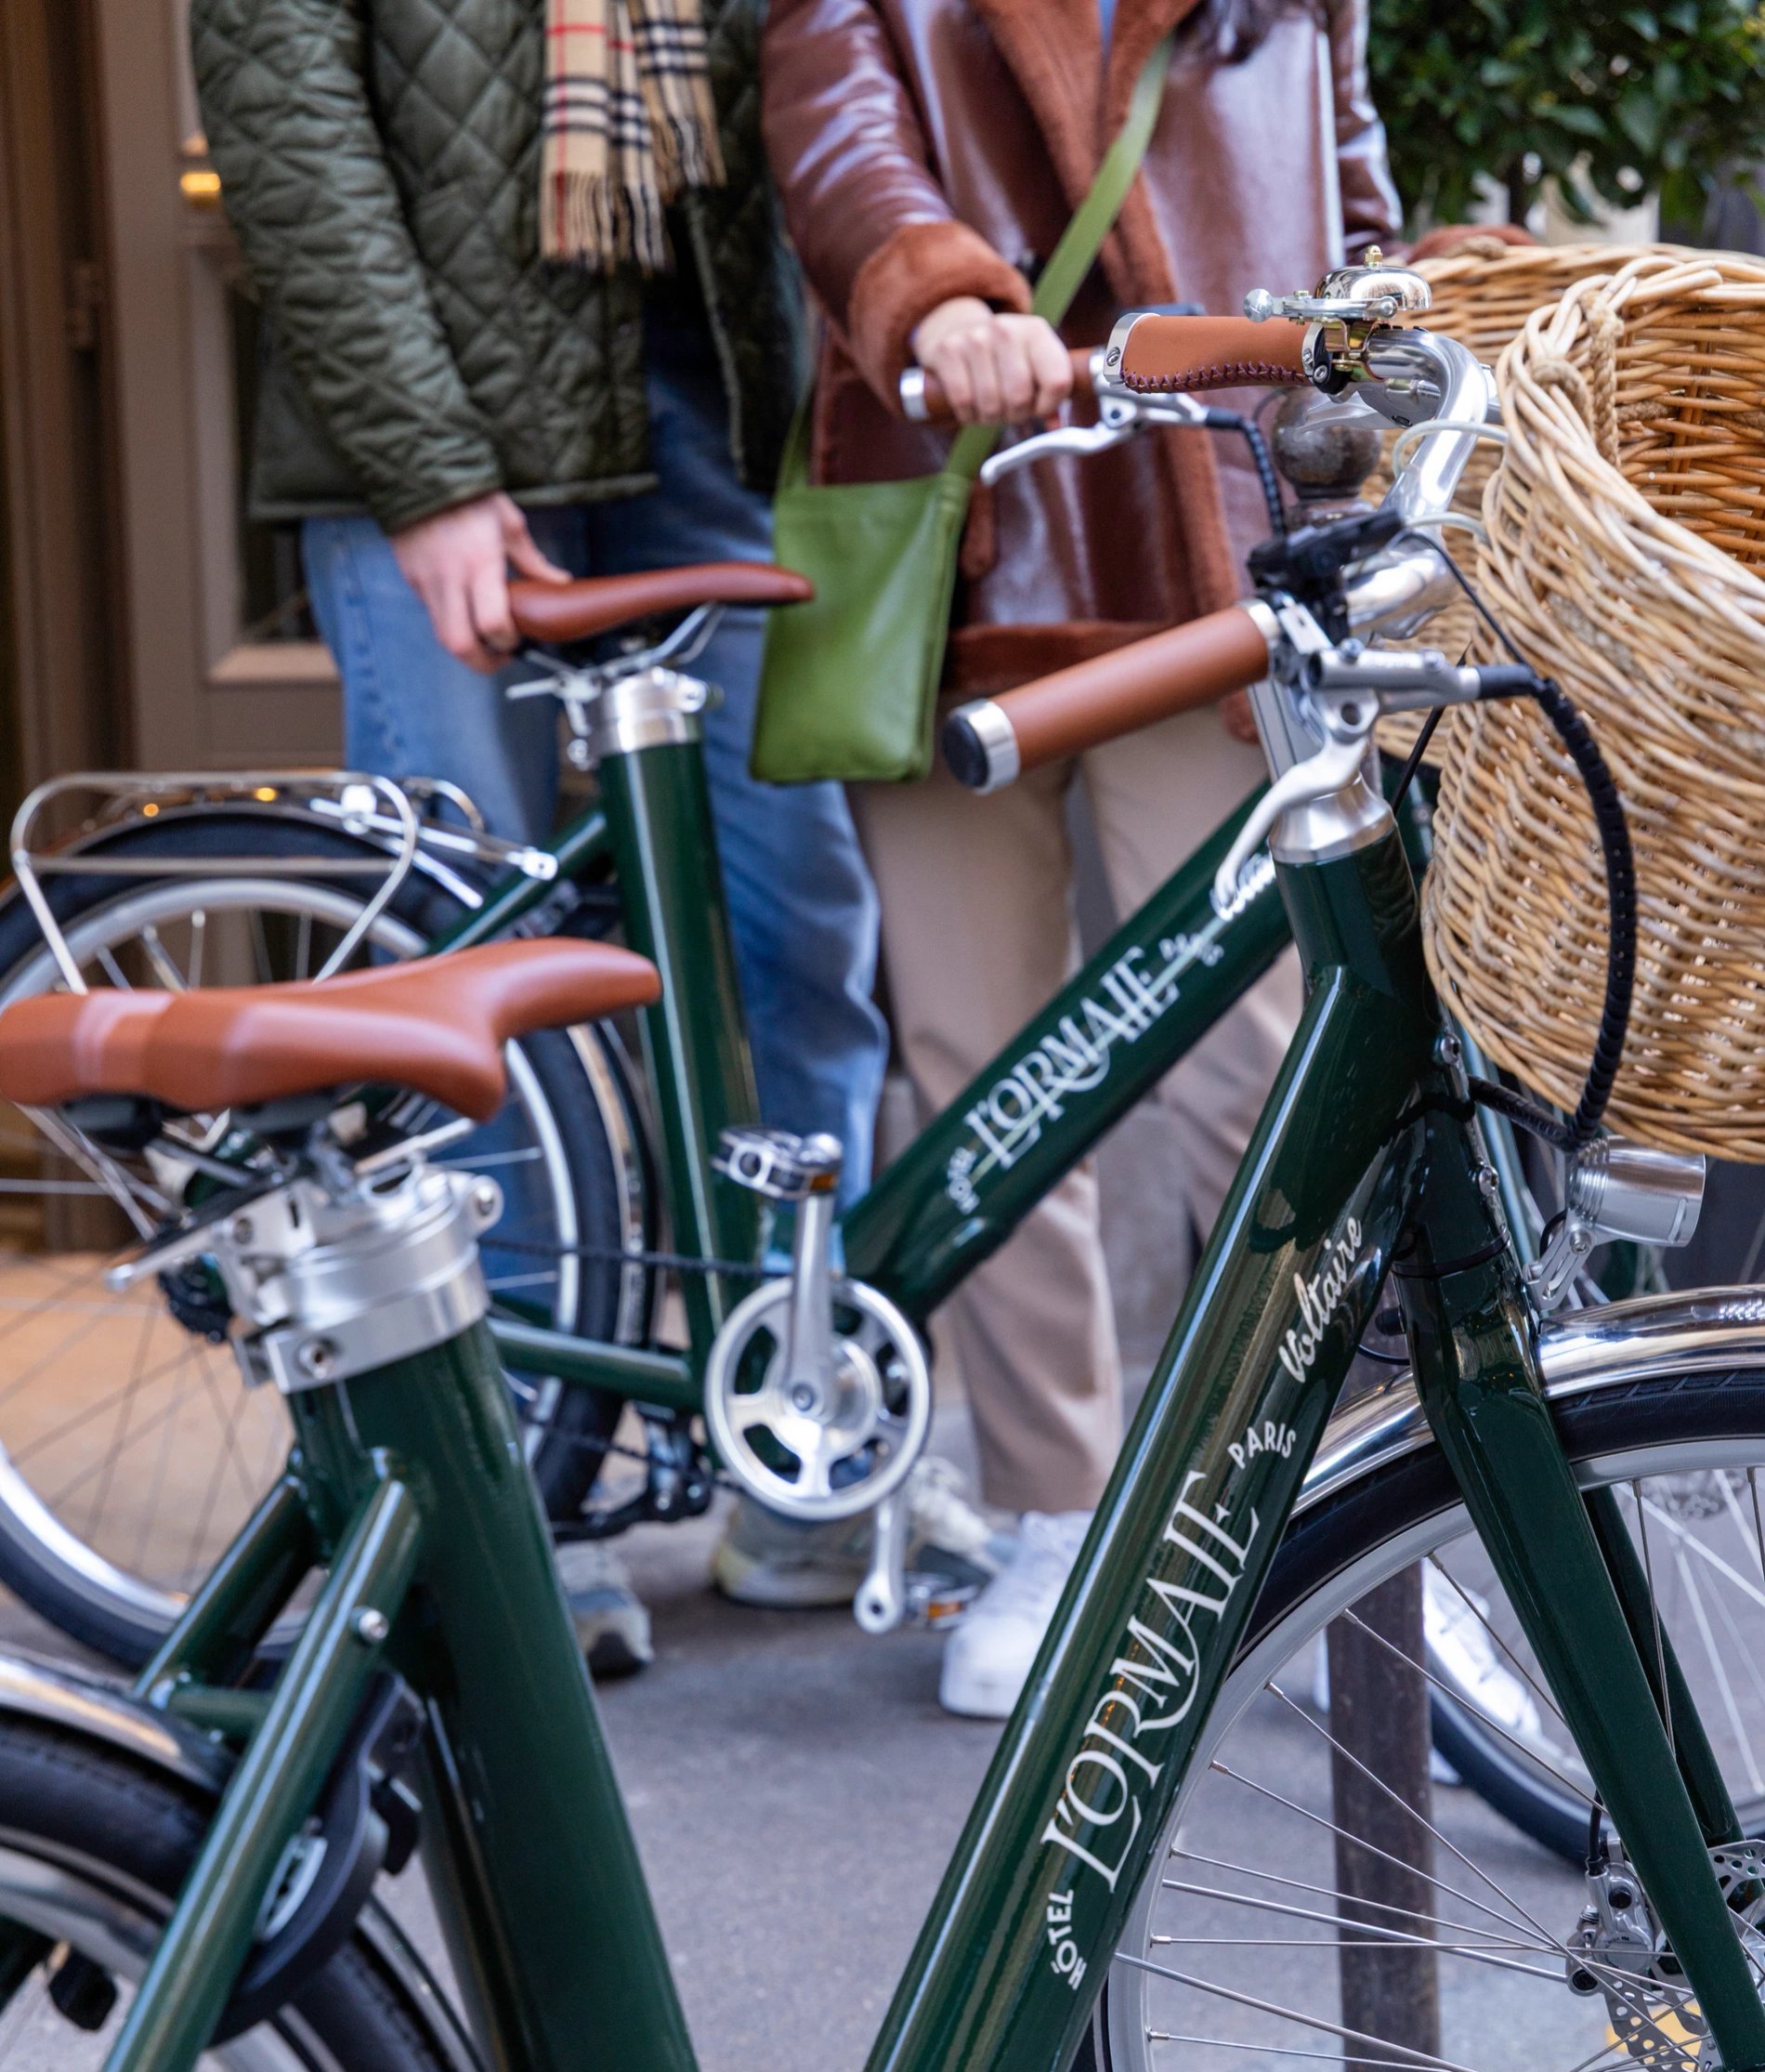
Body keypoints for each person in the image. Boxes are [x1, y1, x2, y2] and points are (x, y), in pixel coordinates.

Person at [191, 0, 897, 1668]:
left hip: (698, 418)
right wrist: (428, 475)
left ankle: (802, 1424)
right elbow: (291, 134)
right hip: (433, 451)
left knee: (803, 924)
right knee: (474, 981)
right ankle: (527, 1486)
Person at [762, 0, 1401, 1716]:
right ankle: (1051, 1512)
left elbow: (1357, 215)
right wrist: (942, 291)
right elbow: (836, 141)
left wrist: (1405, 356)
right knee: (989, 1075)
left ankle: (1334, 1507)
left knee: (1265, 1062)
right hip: (966, 534)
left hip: (1213, 548)